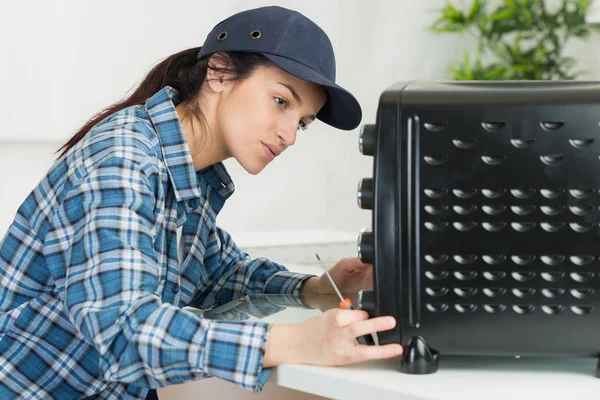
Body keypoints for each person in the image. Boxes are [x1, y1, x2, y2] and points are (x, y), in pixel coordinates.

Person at [0, 6, 403, 400]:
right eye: (281, 101)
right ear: (220, 72)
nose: (289, 136)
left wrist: (313, 290)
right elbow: (124, 331)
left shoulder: (189, 172)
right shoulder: (123, 161)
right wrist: (294, 341)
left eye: (301, 122)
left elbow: (215, 275)